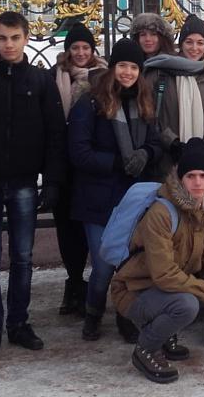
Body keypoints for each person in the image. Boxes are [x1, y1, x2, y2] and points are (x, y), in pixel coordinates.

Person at [0, 11, 67, 360]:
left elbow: (55, 135)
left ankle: (19, 323)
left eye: (15, 38)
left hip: (23, 183)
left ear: (25, 38)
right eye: (3, 38)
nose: (8, 44)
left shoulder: (40, 81)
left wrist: (50, 181)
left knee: (22, 258)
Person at [110, 139, 204, 384]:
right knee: (188, 304)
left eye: (203, 175)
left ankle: (164, 334)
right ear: (180, 179)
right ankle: (146, 348)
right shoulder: (162, 213)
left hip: (164, 289)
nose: (197, 182)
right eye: (190, 176)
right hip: (134, 290)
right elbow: (164, 275)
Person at [69, 38, 166, 342]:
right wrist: (116, 162)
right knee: (104, 263)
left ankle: (126, 316)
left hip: (132, 197)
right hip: (97, 195)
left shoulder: (144, 102)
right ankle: (94, 312)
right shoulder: (91, 103)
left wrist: (145, 155)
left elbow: (154, 142)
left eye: (134, 67)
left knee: (130, 264)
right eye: (122, 65)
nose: (127, 72)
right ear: (112, 68)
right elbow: (78, 152)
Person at [51, 22, 107, 318]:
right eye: (76, 48)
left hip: (93, 166)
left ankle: (97, 288)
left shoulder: (105, 77)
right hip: (65, 167)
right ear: (68, 50)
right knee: (68, 231)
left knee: (95, 230)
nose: (81, 52)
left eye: (86, 47)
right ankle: (74, 283)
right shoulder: (56, 77)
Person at [143, 15, 204, 154]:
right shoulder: (160, 72)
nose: (195, 48)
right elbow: (149, 114)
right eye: (189, 42)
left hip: (202, 159)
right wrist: (172, 143)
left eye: (200, 43)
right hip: (167, 156)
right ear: (181, 44)